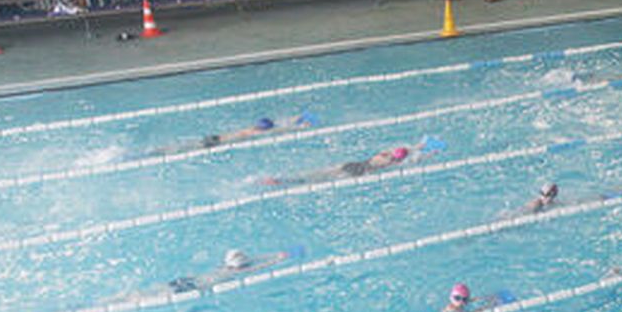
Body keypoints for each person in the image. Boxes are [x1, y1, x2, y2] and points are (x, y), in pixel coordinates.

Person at [262, 137, 439, 187]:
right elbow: (414, 158)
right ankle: (283, 182)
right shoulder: (394, 163)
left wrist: (420, 144)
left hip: (351, 164)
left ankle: (282, 178)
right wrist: (430, 152)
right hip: (356, 172)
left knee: (316, 173)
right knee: (316, 181)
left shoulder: (384, 154)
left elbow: (406, 150)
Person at [145, 112, 317, 158]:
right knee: (184, 149)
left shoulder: (252, 128)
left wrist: (298, 118)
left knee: (183, 146)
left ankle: (158, 150)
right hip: (216, 143)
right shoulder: (256, 132)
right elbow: (280, 128)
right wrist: (301, 127)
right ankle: (159, 151)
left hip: (216, 137)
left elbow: (280, 123)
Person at [164, 247, 293, 294]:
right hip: (197, 286)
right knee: (164, 293)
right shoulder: (236, 272)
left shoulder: (224, 267)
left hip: (192, 279)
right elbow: (258, 266)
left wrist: (275, 254)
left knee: (162, 288)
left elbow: (254, 259)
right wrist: (277, 259)